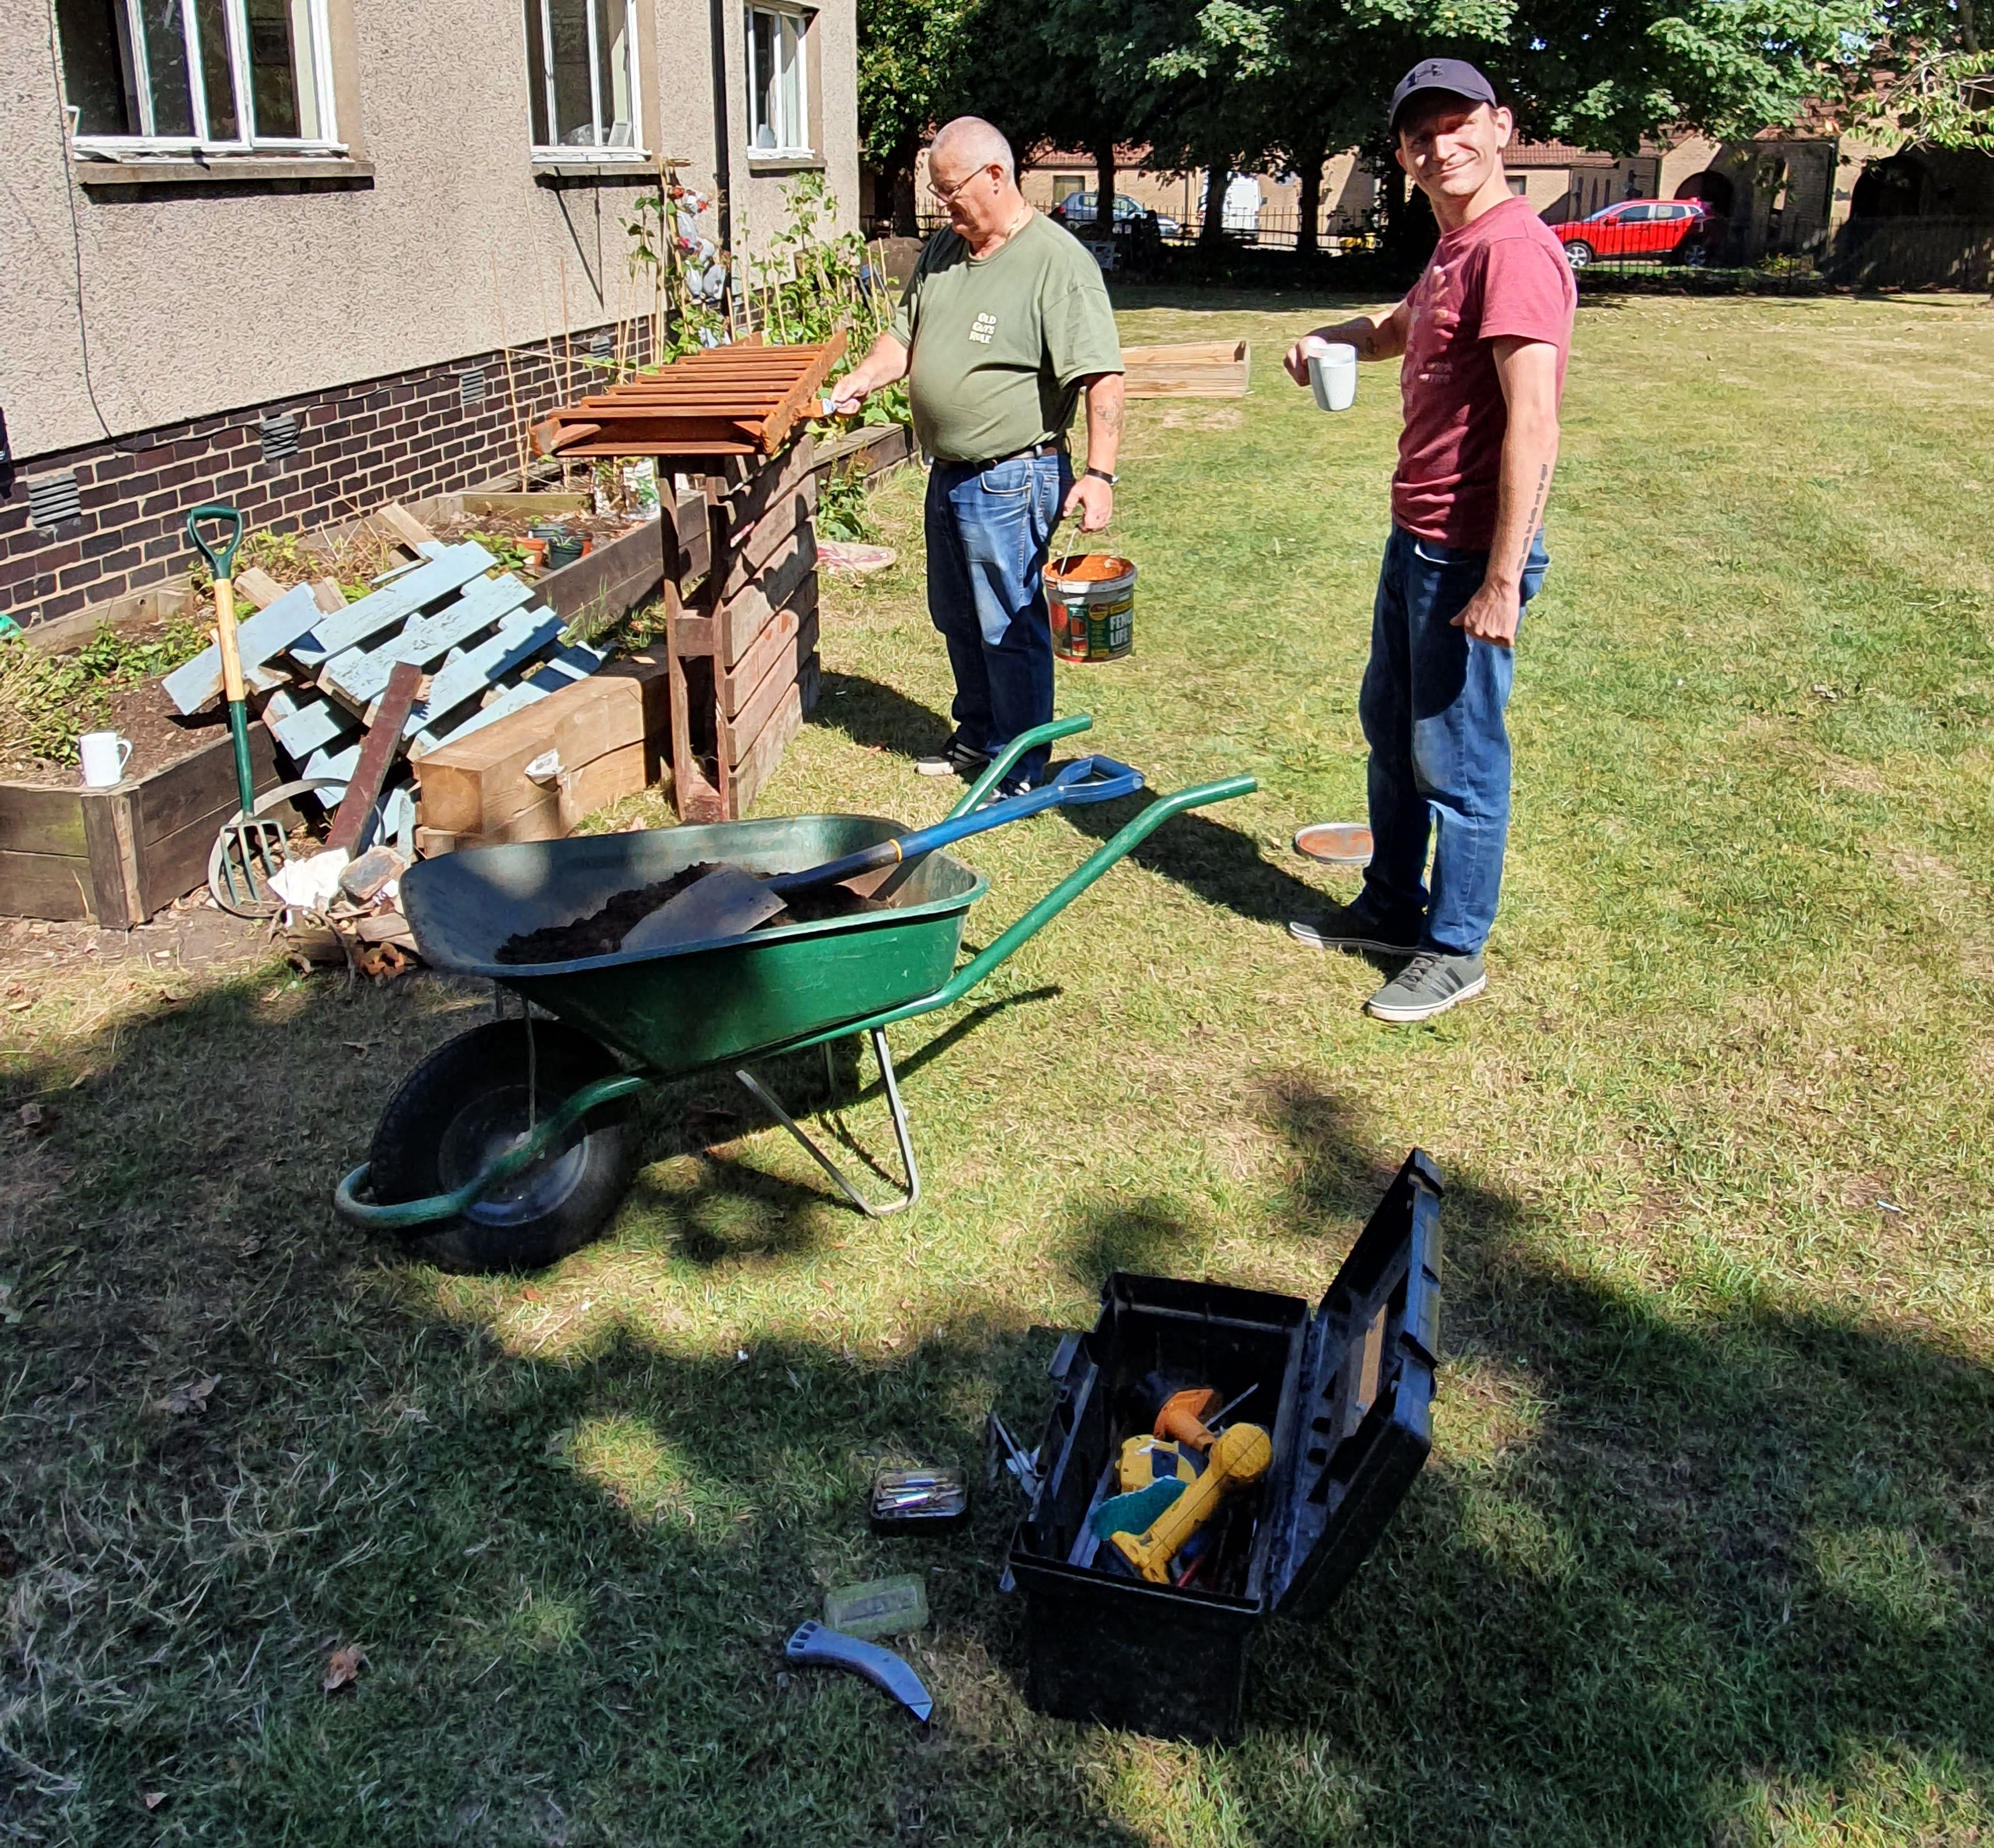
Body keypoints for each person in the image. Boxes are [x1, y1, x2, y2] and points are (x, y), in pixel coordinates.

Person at [1284, 58, 1576, 1022]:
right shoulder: (1456, 247)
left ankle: (1455, 948)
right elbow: (1402, 326)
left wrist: (1500, 581)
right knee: (1393, 737)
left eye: (1457, 126)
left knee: (1458, 757)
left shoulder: (1514, 251)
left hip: (1466, 551)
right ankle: (1390, 905)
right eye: (1419, 135)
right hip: (1416, 536)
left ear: (1500, 127)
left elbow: (1534, 425)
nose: (1439, 147)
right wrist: (1335, 337)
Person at [827, 117, 1125, 793]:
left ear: (996, 175)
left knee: (1009, 622)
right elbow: (902, 336)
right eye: (935, 193)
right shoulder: (945, 249)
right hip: (952, 473)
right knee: (958, 615)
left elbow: (1100, 375)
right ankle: (979, 737)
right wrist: (864, 377)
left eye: (950, 190)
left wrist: (1100, 473)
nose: (943, 206)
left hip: (1013, 475)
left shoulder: (1056, 261)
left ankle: (1021, 763)